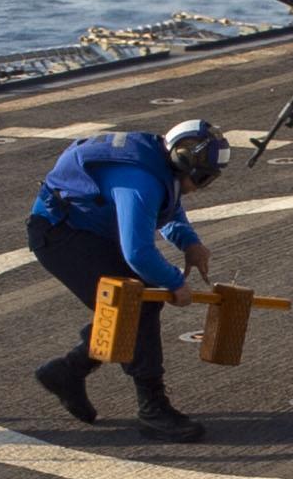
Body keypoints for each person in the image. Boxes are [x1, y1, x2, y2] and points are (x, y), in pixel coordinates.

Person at [26, 118, 226, 443]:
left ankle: (69, 370)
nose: (200, 186)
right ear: (182, 162)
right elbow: (138, 252)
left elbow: (168, 204)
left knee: (130, 305)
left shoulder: (159, 160)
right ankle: (153, 410)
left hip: (86, 230)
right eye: (202, 178)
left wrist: (189, 242)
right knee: (138, 303)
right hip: (60, 235)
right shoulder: (140, 180)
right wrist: (175, 284)